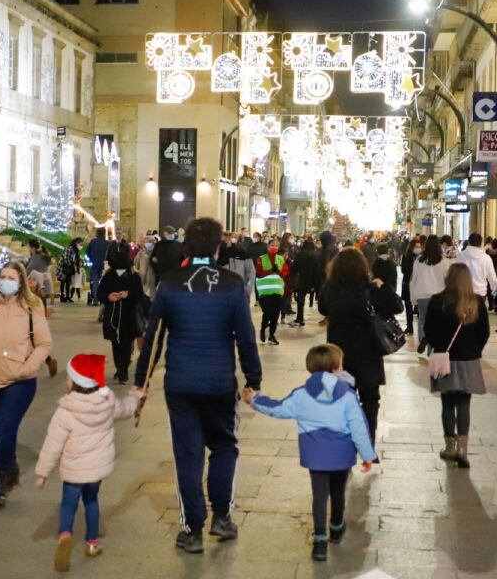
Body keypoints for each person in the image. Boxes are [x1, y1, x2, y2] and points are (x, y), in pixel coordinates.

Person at [133, 217, 261, 554]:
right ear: (219, 245)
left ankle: (192, 529)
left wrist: (140, 383)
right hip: (220, 383)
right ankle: (221, 516)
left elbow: (153, 338)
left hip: (181, 384)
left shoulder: (170, 284)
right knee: (224, 446)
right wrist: (253, 380)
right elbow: (246, 338)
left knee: (188, 455)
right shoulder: (232, 284)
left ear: (187, 245)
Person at [248, 344, 375, 562]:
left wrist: (254, 399)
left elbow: (277, 408)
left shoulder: (301, 395)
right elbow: (359, 427)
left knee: (319, 496)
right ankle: (336, 528)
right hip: (342, 455)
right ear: (337, 367)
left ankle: (319, 542)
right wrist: (367, 455)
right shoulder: (347, 396)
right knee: (337, 492)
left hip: (315, 456)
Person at [35, 354, 141, 572]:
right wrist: (136, 397)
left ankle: (65, 534)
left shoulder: (65, 410)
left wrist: (42, 472)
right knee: (91, 501)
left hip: (74, 471)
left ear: (74, 382)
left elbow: (52, 444)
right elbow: (126, 409)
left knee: (68, 504)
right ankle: (91, 543)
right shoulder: (107, 402)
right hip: (96, 469)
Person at [0, 261, 53, 508]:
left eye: (11, 278)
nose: (5, 281)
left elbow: (44, 344)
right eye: (2, 276)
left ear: (20, 283)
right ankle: (11, 464)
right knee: (1, 427)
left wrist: (28, 368)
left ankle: (1, 480)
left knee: (6, 426)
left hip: (19, 381)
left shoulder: (30, 310)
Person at [319, 248, 401, 452]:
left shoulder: (331, 288)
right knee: (370, 402)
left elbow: (322, 308)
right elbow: (397, 306)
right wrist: (383, 287)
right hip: (367, 355)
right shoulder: (370, 289)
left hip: (339, 355)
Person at [425, 263, 490, 469]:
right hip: (468, 360)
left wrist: (439, 346)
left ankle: (450, 446)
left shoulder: (438, 301)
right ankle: (463, 449)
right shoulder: (477, 302)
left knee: (447, 403)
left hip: (446, 359)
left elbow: (429, 331)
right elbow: (485, 332)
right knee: (464, 404)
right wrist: (475, 349)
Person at [97, 245, 145, 384]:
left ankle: (122, 370)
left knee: (124, 343)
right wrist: (109, 297)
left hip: (128, 316)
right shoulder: (109, 276)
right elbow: (101, 294)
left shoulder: (133, 276)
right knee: (116, 343)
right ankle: (121, 368)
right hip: (113, 316)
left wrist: (127, 295)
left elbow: (139, 295)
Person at [411, 235, 448, 344]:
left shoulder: (419, 259)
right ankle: (432, 344)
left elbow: (414, 278)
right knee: (437, 320)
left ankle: (423, 338)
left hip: (422, 294)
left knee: (422, 318)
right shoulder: (443, 260)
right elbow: (447, 277)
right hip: (438, 296)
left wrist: (413, 296)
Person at [254, 238, 289, 345]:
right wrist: (270, 270)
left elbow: (285, 273)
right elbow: (259, 273)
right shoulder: (261, 258)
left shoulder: (280, 259)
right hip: (265, 292)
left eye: (276, 245)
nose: (274, 247)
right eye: (272, 245)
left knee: (275, 315)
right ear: (268, 246)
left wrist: (278, 271)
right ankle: (263, 328)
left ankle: (272, 335)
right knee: (268, 312)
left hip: (278, 291)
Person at [455, 232, 497, 300]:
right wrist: (495, 293)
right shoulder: (486, 258)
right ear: (481, 243)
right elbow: (492, 277)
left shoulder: (460, 256)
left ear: (469, 242)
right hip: (480, 293)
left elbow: (455, 274)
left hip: (464, 292)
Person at [289, 237, 321, 327]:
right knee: (310, 296)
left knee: (300, 299)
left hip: (301, 279)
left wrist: (292, 278)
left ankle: (300, 318)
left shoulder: (300, 254)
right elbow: (317, 270)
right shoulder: (316, 255)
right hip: (312, 280)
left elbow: (294, 268)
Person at [218, 232, 255, 299]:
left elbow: (251, 272)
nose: (225, 241)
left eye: (227, 239)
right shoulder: (217, 256)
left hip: (241, 293)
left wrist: (248, 289)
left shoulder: (242, 253)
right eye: (222, 240)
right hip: (222, 295)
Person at [399, 237, 421, 334]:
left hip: (419, 284)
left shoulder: (423, 258)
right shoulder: (406, 256)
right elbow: (403, 270)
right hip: (408, 283)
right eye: (416, 247)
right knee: (408, 306)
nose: (418, 248)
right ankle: (409, 327)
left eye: (419, 247)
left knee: (419, 306)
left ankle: (420, 329)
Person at [85, 229, 110, 306]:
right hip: (104, 265)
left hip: (95, 264)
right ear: (104, 233)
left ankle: (95, 299)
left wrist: (91, 259)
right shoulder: (107, 243)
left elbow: (87, 252)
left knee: (95, 283)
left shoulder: (92, 242)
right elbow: (109, 253)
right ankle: (103, 299)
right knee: (104, 282)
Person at [58, 238, 84, 303]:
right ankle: (62, 296)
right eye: (80, 244)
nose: (80, 246)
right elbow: (65, 258)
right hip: (64, 268)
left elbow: (76, 260)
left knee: (68, 282)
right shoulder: (69, 248)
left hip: (70, 268)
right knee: (63, 281)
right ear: (76, 243)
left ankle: (67, 296)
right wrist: (71, 264)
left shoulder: (76, 251)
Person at [134, 235, 159, 301]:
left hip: (147, 284)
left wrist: (140, 281)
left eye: (149, 242)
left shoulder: (143, 254)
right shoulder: (143, 253)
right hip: (152, 284)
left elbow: (142, 271)